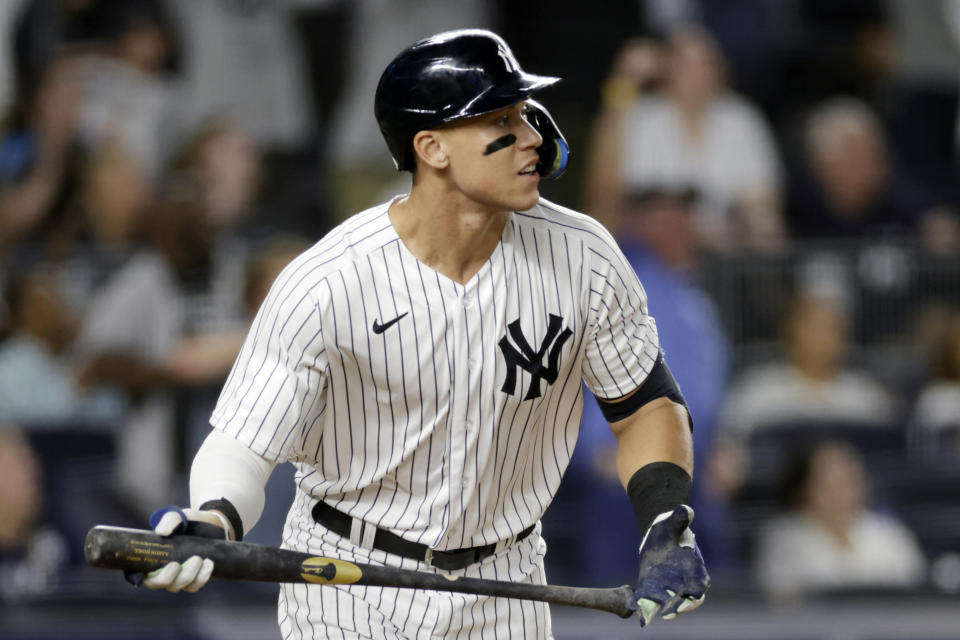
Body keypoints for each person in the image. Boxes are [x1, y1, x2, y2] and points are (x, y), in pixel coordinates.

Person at [136, 30, 710, 637]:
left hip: (505, 578)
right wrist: (213, 521)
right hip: (350, 579)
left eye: (525, 113)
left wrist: (665, 519)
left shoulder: (585, 257)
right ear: (432, 148)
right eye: (502, 120)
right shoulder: (331, 279)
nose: (534, 138)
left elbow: (645, 405)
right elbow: (245, 443)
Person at [584, 26, 786, 255]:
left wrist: (750, 224)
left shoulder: (741, 117)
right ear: (665, 70)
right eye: (686, 64)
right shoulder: (641, 117)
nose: (698, 73)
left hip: (729, 253)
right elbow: (605, 194)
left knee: (768, 231)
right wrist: (624, 78)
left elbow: (762, 198)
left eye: (707, 63)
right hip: (654, 252)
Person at [754, 439, 925, 605]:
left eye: (851, 478)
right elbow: (782, 603)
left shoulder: (890, 534)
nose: (845, 489)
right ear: (803, 489)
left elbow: (912, 597)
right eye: (832, 481)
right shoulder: (782, 539)